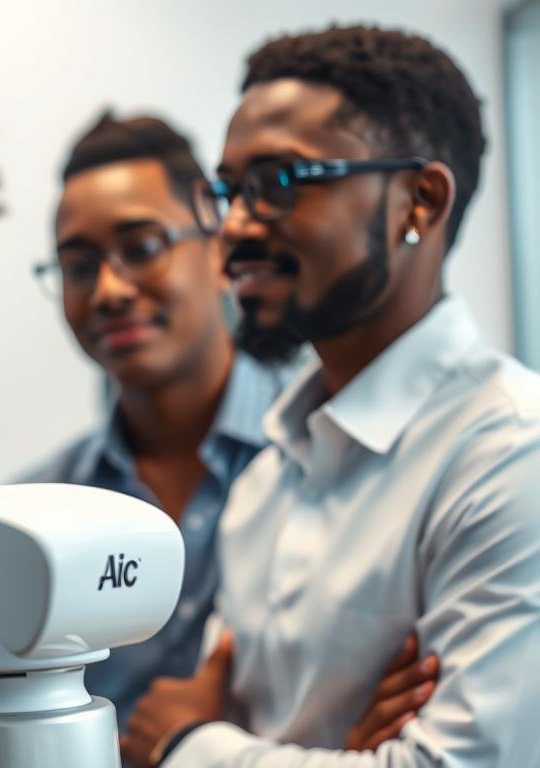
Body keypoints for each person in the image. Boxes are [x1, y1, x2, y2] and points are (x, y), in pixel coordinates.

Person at [122, 25, 540, 767]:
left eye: (281, 182)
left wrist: (186, 746)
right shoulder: (269, 476)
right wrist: (335, 752)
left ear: (420, 201)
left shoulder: (511, 454)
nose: (238, 227)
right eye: (229, 191)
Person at [28, 111, 434, 756]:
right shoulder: (39, 511)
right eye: (78, 267)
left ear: (220, 249)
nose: (108, 290)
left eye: (141, 247)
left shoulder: (346, 456)